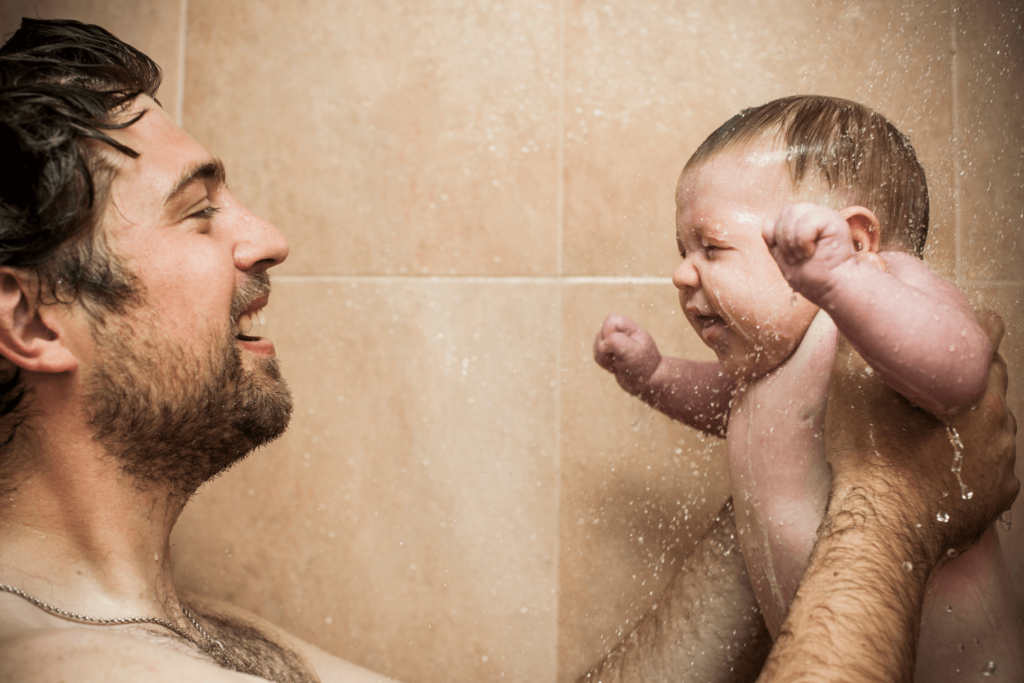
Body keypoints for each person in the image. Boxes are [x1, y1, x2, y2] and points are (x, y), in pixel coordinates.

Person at [0, 19, 1016, 683]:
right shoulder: (66, 666)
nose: (266, 237)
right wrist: (884, 510)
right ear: (35, 322)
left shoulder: (199, 633)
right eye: (197, 213)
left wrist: (784, 470)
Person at [593, 96, 1023, 679]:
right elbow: (728, 406)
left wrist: (842, 280)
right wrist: (655, 376)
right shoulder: (768, 365)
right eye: (682, 251)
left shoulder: (862, 317)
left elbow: (964, 371)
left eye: (712, 247)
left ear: (855, 242)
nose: (681, 273)